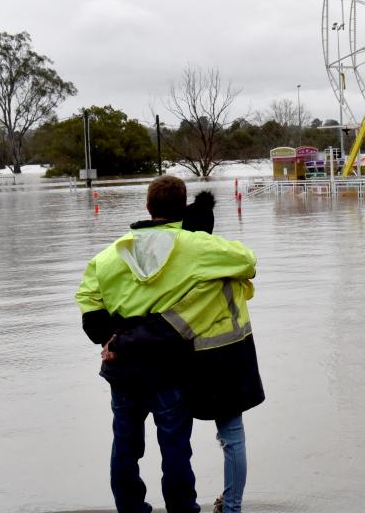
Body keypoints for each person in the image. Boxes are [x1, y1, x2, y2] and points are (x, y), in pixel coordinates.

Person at [76, 176, 257, 513]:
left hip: (123, 364)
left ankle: (131, 508)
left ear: (148, 206)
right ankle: (182, 509)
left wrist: (110, 338)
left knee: (125, 446)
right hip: (170, 364)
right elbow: (247, 261)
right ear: (183, 207)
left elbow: (87, 298)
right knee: (175, 446)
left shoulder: (111, 254)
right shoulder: (196, 247)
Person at [179, 190, 265, 513]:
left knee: (176, 436)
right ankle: (231, 507)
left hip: (194, 359)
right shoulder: (231, 260)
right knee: (233, 437)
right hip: (235, 357)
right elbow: (250, 271)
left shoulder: (181, 264)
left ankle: (185, 505)